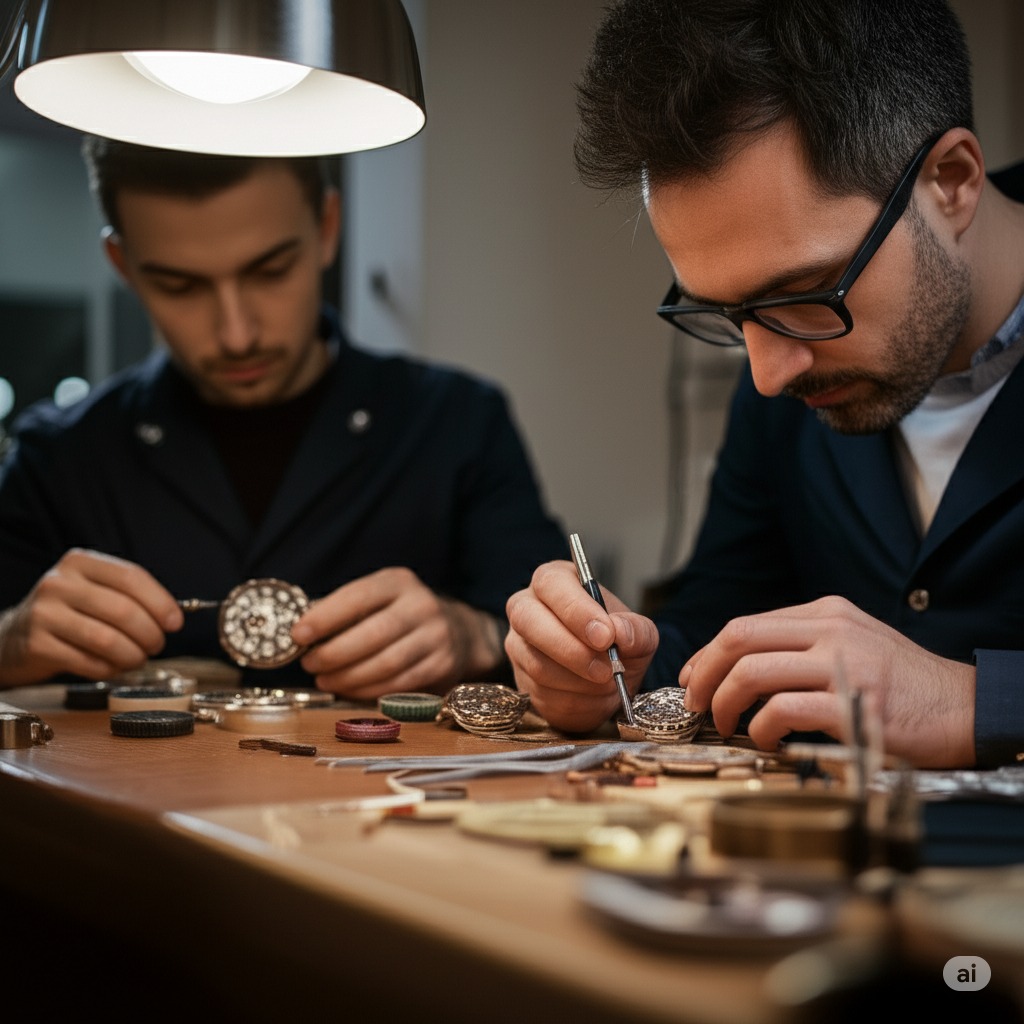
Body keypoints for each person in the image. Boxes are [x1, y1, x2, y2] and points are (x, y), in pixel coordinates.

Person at [505, 0, 1024, 769]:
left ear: (951, 181)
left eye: (807, 293)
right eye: (730, 314)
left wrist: (974, 701)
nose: (766, 373)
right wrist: (613, 667)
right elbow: (721, 627)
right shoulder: (788, 369)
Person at [0, 137, 566, 695]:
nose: (237, 334)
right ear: (123, 265)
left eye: (270, 271)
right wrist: (9, 641)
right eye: (180, 285)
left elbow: (570, 644)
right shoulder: (58, 456)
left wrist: (478, 636)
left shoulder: (459, 423)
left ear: (326, 228)